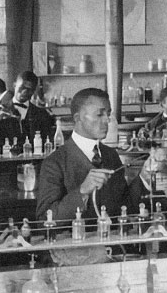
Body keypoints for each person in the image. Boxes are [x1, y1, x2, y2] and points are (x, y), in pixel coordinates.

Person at [36, 88, 134, 227]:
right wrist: (82, 191)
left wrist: (145, 176)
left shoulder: (111, 155)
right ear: (78, 118)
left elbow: (125, 204)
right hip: (75, 245)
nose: (107, 120)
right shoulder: (54, 162)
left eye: (108, 114)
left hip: (112, 244)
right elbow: (44, 220)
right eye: (99, 114)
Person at [0, 71, 55, 147]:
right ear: (14, 85)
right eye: (22, 88)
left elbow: (48, 144)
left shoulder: (42, 114)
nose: (24, 92)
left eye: (29, 89)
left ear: (34, 91)